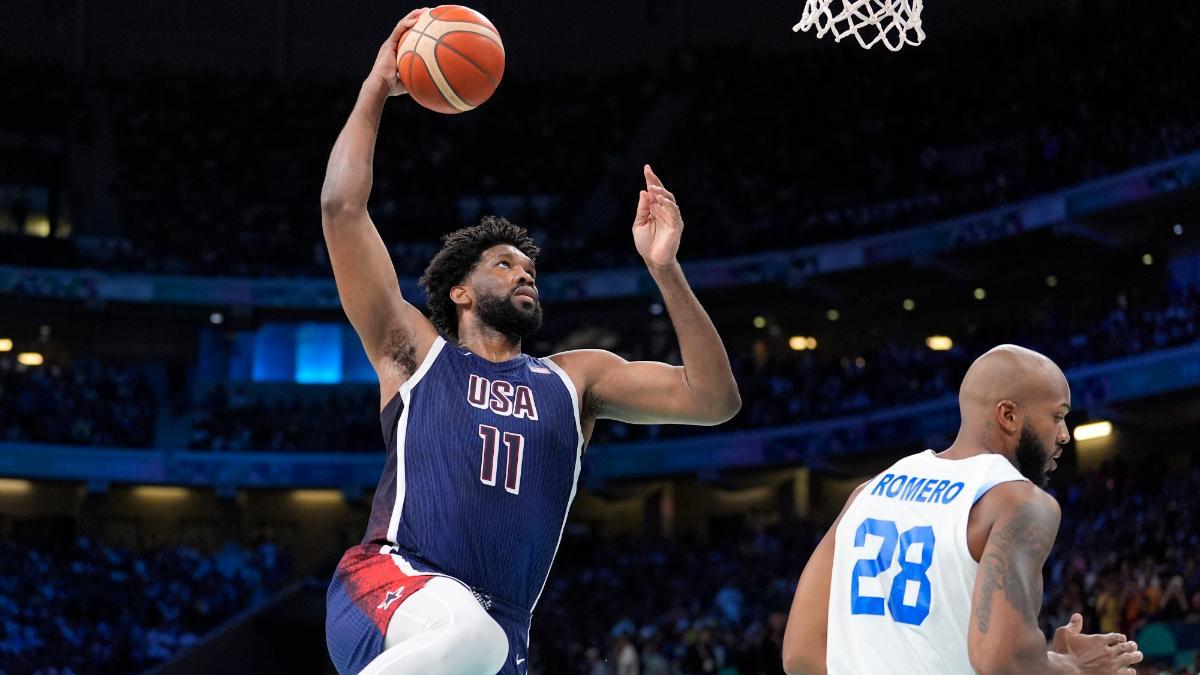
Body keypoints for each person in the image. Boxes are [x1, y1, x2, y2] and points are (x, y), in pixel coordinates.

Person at [320, 11, 741, 675]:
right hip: (390, 586)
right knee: (469, 632)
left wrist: (666, 269)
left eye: (531, 269)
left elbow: (713, 398)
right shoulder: (417, 354)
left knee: (482, 638)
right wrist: (376, 85)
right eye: (504, 264)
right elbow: (342, 209)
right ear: (458, 291)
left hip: (501, 640)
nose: (524, 273)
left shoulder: (575, 380)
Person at [781, 344, 1144, 674]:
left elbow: (800, 653)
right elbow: (1002, 659)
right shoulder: (1017, 501)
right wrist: (1072, 666)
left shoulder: (866, 493)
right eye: (1057, 416)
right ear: (1008, 415)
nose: (1064, 434)